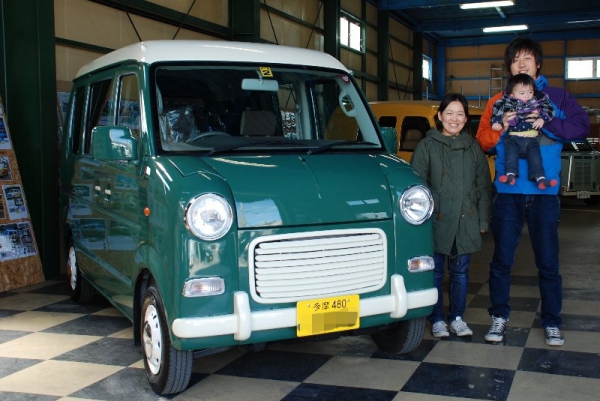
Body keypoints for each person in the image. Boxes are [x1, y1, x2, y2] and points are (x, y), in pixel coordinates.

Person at [477, 37, 590, 346]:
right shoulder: (498, 100)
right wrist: (501, 126)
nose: (522, 63)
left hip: (544, 195)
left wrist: (548, 121)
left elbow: (581, 127)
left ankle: (552, 321)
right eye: (516, 60)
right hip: (509, 192)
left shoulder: (556, 97)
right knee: (502, 260)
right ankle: (499, 318)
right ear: (509, 66)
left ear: (537, 63)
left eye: (527, 58)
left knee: (549, 262)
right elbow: (483, 140)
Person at [411, 93, 492, 338]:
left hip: (465, 220)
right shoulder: (427, 146)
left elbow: (483, 186)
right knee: (434, 271)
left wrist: (483, 220)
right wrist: (418, 222)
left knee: (460, 271)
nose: (454, 119)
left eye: (460, 114)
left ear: (466, 119)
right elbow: (417, 187)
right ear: (439, 116)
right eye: (449, 113)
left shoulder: (473, 147)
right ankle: (435, 318)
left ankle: (457, 317)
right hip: (436, 220)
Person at [491, 73, 556, 189]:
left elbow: (549, 109)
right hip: (513, 139)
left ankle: (540, 179)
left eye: (530, 92)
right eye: (522, 93)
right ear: (511, 94)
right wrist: (496, 122)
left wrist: (542, 118)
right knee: (510, 158)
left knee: (536, 159)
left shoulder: (538, 101)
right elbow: (497, 109)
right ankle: (510, 176)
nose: (527, 96)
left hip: (532, 140)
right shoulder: (507, 102)